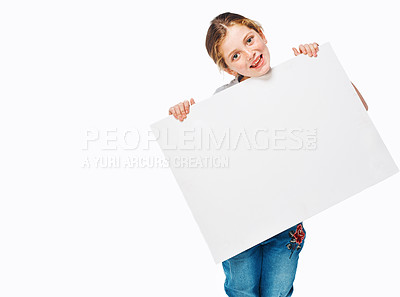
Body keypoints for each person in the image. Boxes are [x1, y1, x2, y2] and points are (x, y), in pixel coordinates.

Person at [168, 12, 368, 297]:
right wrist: (182, 116)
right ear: (226, 67)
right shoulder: (221, 101)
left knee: (278, 293)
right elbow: (206, 160)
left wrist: (324, 69)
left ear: (261, 33)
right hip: (238, 229)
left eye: (250, 40)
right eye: (235, 56)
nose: (249, 54)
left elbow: (358, 110)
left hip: (285, 223)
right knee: (241, 292)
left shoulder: (299, 78)